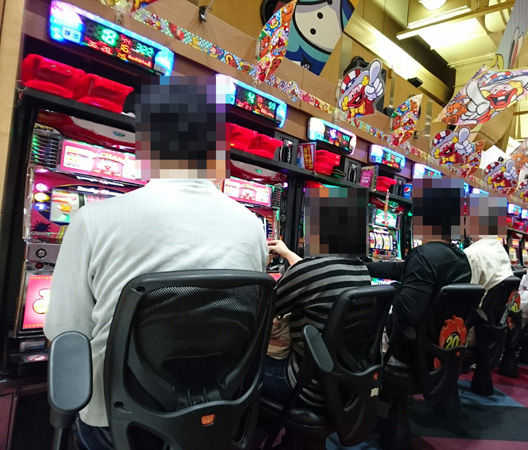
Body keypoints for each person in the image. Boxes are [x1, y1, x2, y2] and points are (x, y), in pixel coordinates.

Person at [44, 76, 268, 449]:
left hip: (118, 424)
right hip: (212, 414)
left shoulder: (93, 219)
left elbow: (65, 335)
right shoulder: (252, 226)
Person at [261, 187, 372, 407]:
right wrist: (288, 254)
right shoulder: (362, 270)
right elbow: (313, 277)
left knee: (234, 366)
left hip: (305, 384)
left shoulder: (311, 270)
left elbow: (262, 311)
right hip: (345, 381)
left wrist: (260, 260)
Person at [366, 177, 472, 364]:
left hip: (410, 348)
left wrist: (394, 289)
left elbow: (408, 314)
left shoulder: (423, 256)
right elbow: (399, 268)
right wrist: (362, 267)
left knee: (362, 322)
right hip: (441, 344)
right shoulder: (460, 258)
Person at [463, 193, 513, 295]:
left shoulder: (471, 253)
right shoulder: (500, 249)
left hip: (478, 304)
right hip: (494, 305)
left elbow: (465, 294)